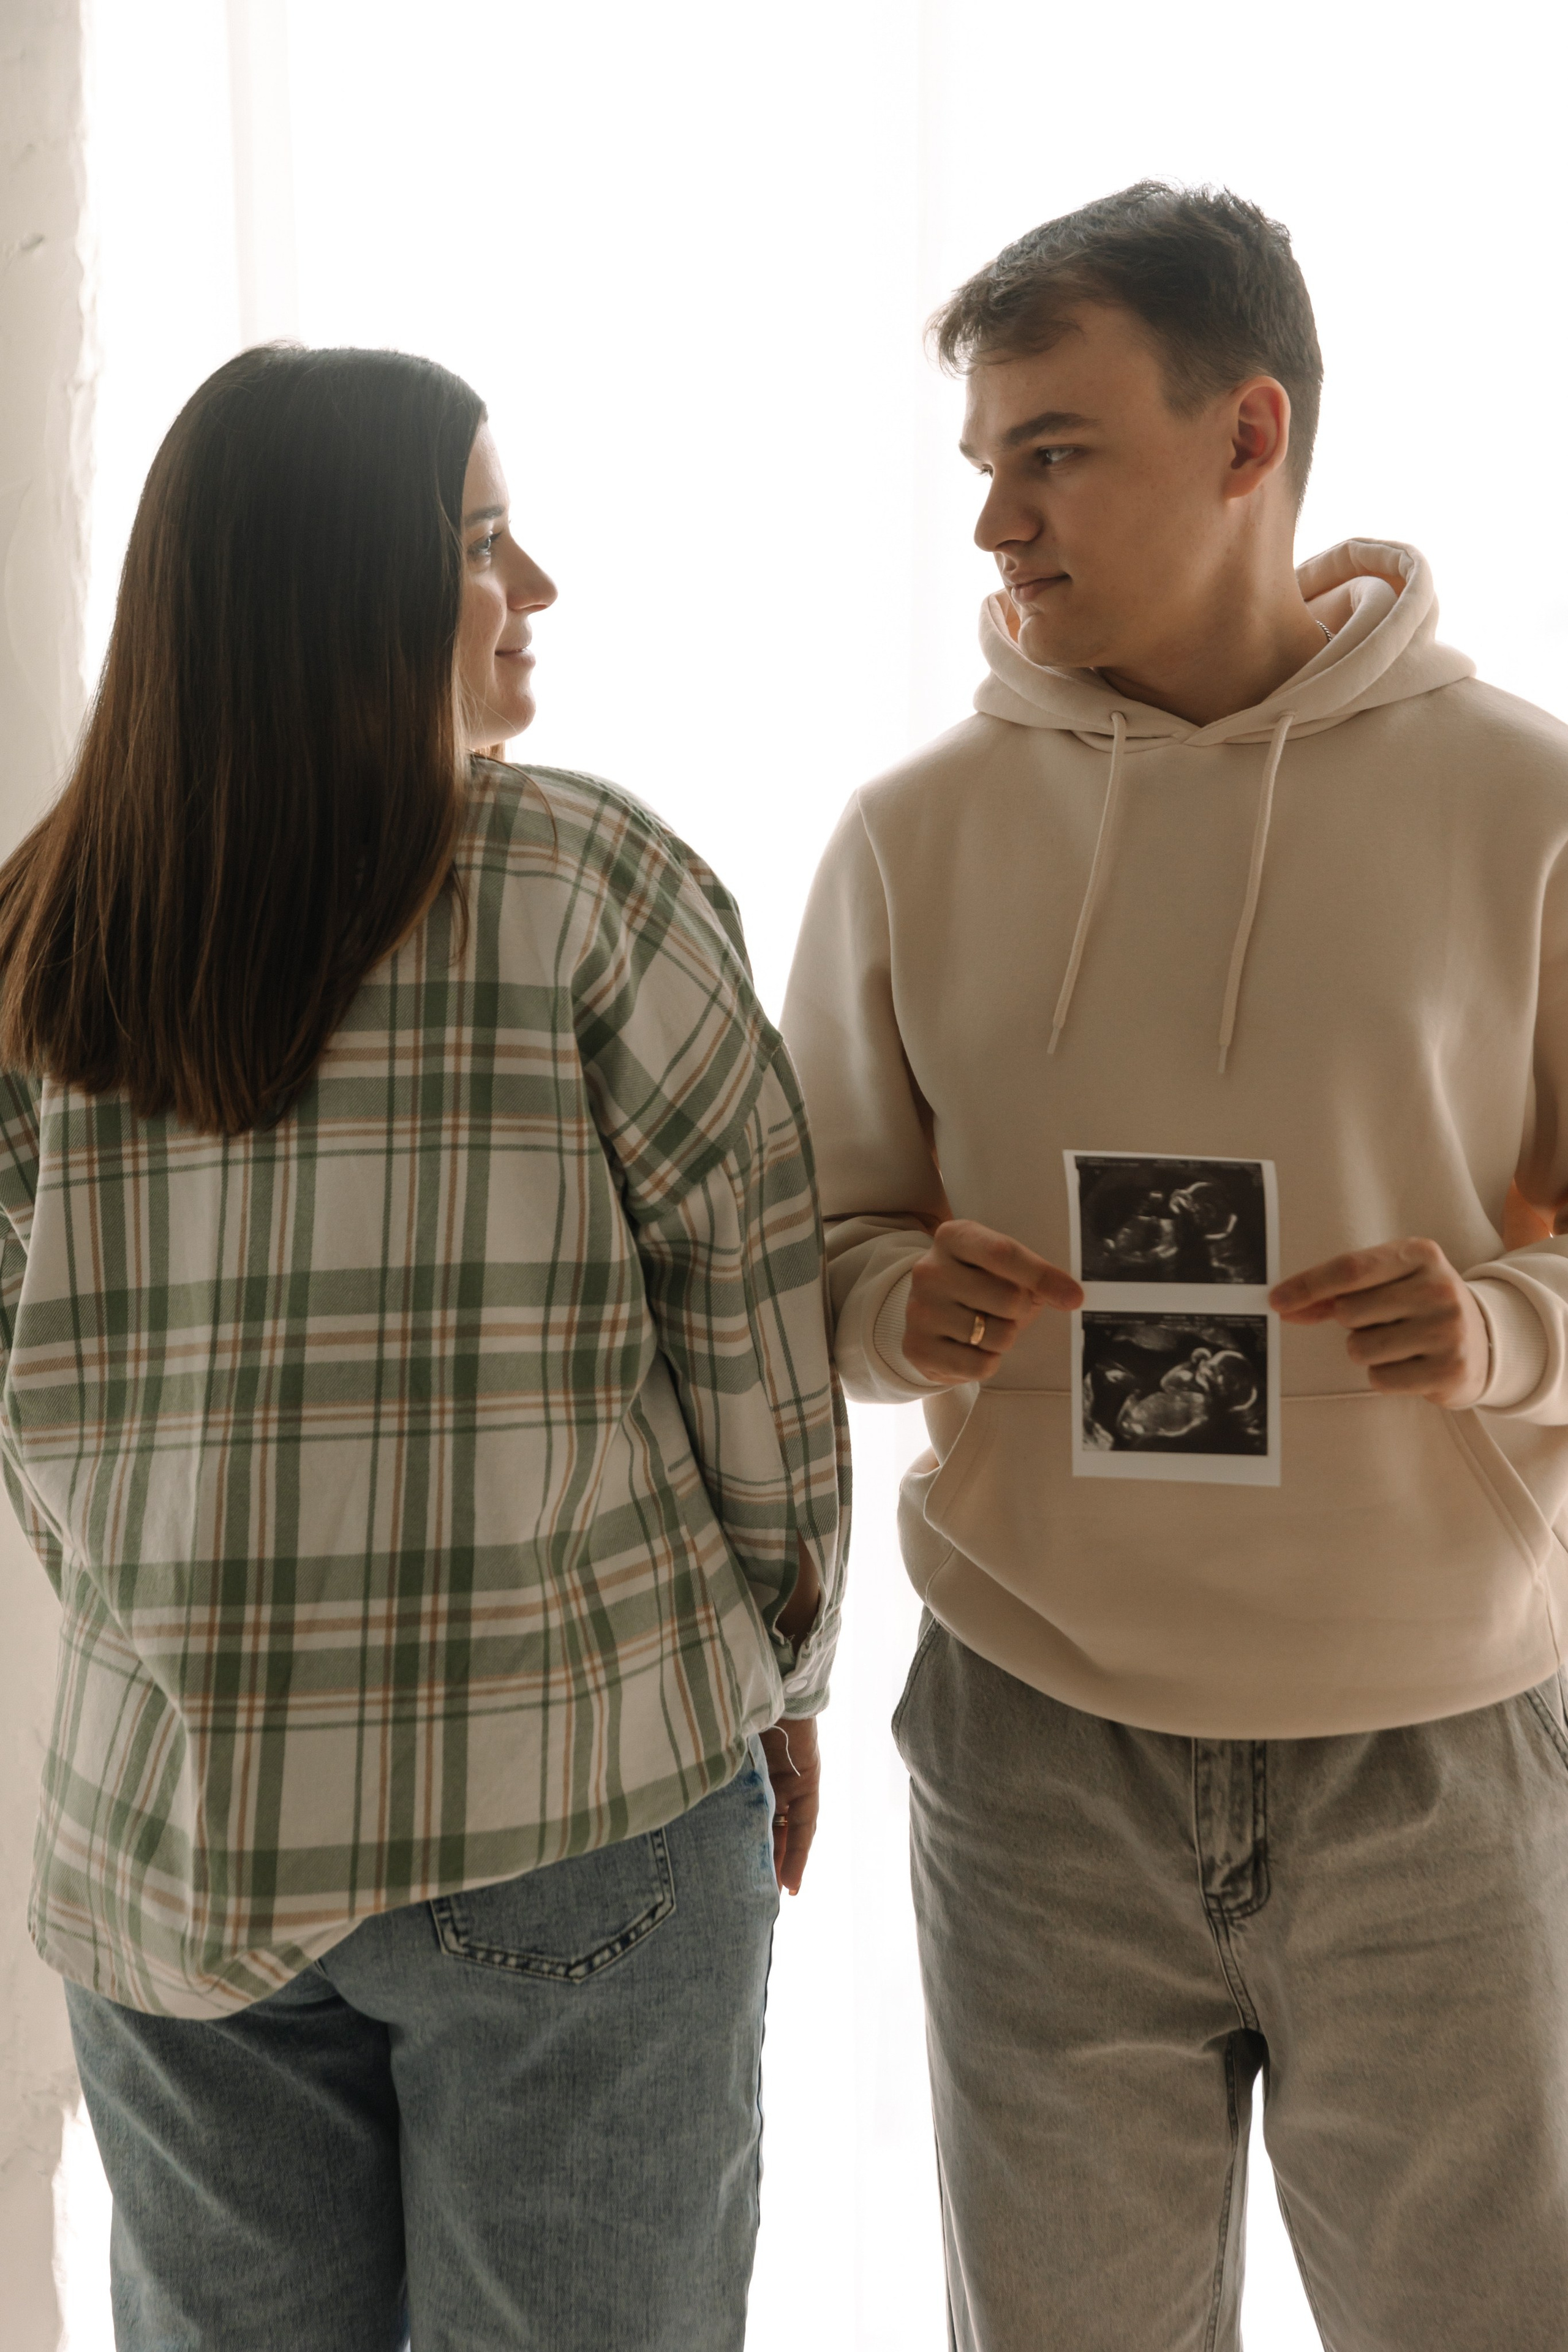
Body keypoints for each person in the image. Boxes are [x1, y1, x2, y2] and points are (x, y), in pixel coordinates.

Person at [782, 182, 1568, 2351]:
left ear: (1248, 435)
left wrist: (1502, 1330)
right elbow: (812, 1251)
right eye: (984, 464)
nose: (996, 524)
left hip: (1436, 1747)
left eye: (1054, 452)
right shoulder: (910, 835)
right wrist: (890, 1307)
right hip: (1039, 1749)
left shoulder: (1532, 807)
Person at [0, 344, 847, 2351]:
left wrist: (169, 1631)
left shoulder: (42, 929)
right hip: (578, 1797)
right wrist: (788, 1670)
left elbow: (35, 1420)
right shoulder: (588, 885)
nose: (533, 585)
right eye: (478, 543)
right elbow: (753, 1337)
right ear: (334, 591)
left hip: (170, 1836)